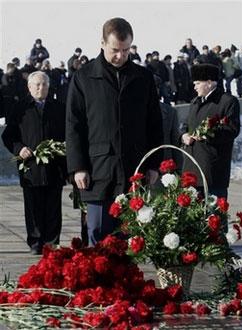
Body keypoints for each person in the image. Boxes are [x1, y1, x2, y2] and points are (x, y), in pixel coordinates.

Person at [66, 17, 163, 246]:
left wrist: (153, 164)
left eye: (126, 50)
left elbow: (154, 124)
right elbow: (74, 125)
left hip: (133, 170)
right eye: (115, 50)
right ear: (102, 42)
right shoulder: (84, 77)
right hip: (98, 171)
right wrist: (78, 167)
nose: (120, 56)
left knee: (130, 242)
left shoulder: (143, 77)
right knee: (98, 239)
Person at [2, 71, 67, 254]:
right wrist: (20, 149)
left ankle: (52, 242)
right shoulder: (20, 108)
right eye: (37, 85)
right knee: (33, 207)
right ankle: (35, 242)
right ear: (29, 87)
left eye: (44, 84)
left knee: (54, 207)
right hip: (31, 167)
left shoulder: (59, 108)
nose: (41, 88)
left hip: (54, 166)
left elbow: (68, 134)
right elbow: (9, 136)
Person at [180, 64, 240, 198]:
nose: (194, 87)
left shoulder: (227, 101)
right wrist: (184, 135)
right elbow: (185, 124)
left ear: (209, 82)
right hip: (192, 169)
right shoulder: (195, 101)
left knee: (214, 215)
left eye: (197, 83)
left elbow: (232, 130)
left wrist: (206, 135)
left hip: (213, 170)